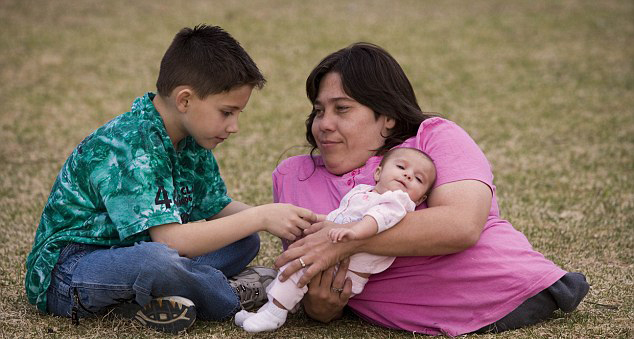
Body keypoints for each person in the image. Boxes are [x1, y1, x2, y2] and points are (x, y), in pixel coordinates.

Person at [271, 42, 590, 336]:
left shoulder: (432, 139)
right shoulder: (293, 176)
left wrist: (342, 242)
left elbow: (461, 225)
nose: (323, 123)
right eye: (318, 110)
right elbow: (310, 282)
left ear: (388, 117)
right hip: (410, 319)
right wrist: (321, 308)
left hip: (508, 290)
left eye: (342, 109)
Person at [24, 24, 319, 334]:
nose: (234, 126)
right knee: (156, 262)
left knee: (245, 238)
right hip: (72, 270)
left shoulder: (190, 137)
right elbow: (171, 241)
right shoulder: (130, 144)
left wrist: (292, 221)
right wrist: (260, 215)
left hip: (140, 249)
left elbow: (217, 207)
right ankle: (230, 296)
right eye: (227, 112)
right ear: (185, 100)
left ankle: (154, 300)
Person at [235, 147, 436, 332]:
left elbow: (377, 219)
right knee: (294, 267)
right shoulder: (362, 193)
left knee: (299, 269)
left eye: (418, 179)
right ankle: (268, 310)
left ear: (419, 200)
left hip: (349, 269)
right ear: (378, 173)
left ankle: (274, 314)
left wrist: (355, 233)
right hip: (339, 255)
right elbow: (341, 215)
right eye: (401, 167)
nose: (408, 175)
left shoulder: (397, 202)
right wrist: (320, 221)